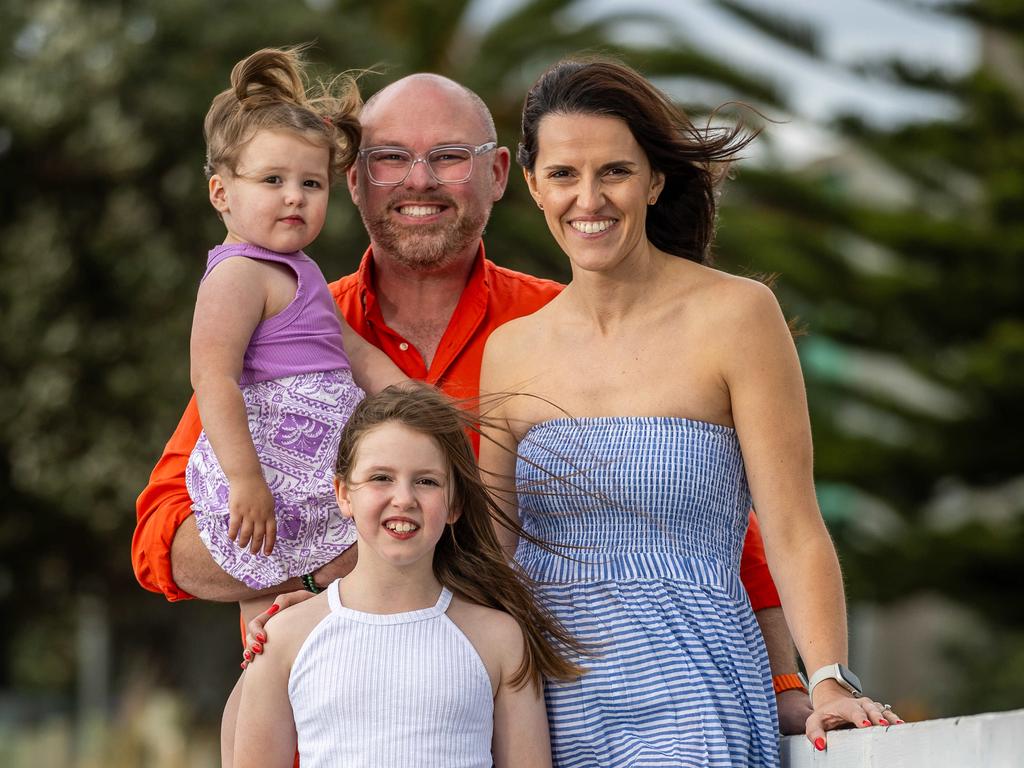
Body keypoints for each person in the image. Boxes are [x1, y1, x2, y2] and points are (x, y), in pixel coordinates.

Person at [132, 71, 811, 733]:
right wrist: (322, 572)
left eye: (450, 157)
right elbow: (163, 542)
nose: (419, 180)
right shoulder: (283, 330)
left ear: (498, 175)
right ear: (353, 180)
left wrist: (787, 684)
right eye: (389, 158)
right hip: (331, 735)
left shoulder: (564, 329)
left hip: (537, 724)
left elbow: (716, 523)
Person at [477, 57, 902, 765]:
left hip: (693, 696)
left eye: (614, 171)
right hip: (539, 708)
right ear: (532, 186)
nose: (589, 198)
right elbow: (489, 557)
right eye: (562, 175)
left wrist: (827, 680)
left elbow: (794, 525)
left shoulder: (736, 315)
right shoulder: (510, 351)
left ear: (655, 180)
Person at [232, 382, 584, 768]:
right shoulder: (285, 638)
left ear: (454, 504)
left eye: (426, 481)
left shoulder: (499, 639)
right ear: (344, 494)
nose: (404, 498)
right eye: (381, 477)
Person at [186, 45, 402, 627]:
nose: (294, 196)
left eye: (312, 183)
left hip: (308, 461)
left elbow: (350, 351)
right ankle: (253, 705)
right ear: (221, 194)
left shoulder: (298, 269)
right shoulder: (237, 274)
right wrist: (246, 479)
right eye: (272, 179)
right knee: (265, 606)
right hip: (270, 466)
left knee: (287, 616)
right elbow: (213, 378)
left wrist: (404, 394)